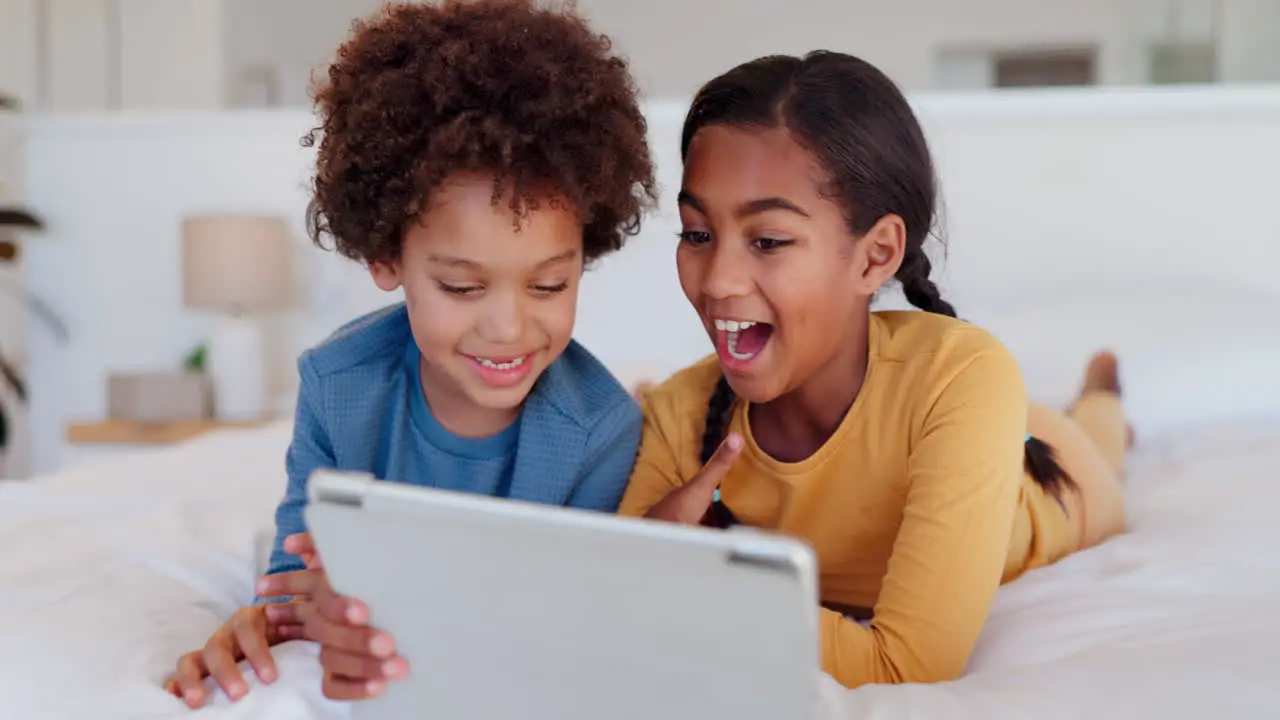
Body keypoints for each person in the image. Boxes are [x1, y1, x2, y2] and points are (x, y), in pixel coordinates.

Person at [164, 0, 656, 707]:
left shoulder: (601, 432)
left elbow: (570, 623)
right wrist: (271, 622)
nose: (508, 328)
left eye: (550, 283)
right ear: (386, 256)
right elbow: (292, 584)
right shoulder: (337, 386)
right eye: (461, 285)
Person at [617, 51, 1131, 689]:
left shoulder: (961, 375)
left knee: (1097, 439)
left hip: (1059, 477)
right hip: (968, 423)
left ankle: (1102, 398)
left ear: (875, 256)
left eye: (768, 240)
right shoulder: (677, 414)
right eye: (697, 234)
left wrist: (696, 581)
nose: (718, 280)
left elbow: (906, 664)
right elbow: (617, 603)